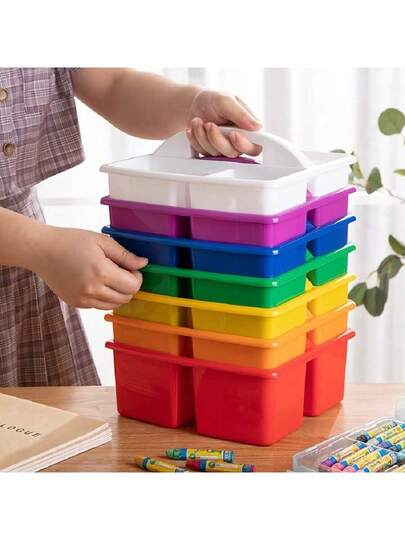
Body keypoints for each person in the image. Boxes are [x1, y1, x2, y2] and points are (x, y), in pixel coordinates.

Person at [0, 68, 262, 386]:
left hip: (29, 276)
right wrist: (40, 247)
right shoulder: (42, 249)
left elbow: (112, 84)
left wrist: (191, 105)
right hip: (32, 248)